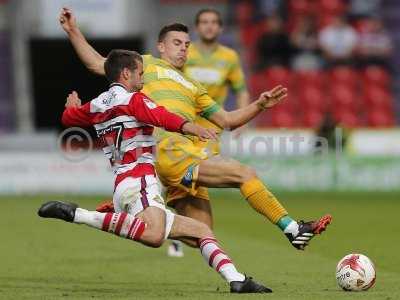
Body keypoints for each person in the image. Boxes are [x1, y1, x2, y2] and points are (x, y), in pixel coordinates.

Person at [59, 7, 331, 253]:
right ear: (160, 47)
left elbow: (227, 120)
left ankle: (133, 218)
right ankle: (293, 229)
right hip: (169, 152)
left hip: (186, 155)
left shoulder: (193, 86)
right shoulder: (146, 66)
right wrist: (73, 30)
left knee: (202, 234)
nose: (183, 49)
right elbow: (97, 63)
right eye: (177, 43)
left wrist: (259, 105)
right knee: (243, 173)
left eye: (187, 44)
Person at [38, 49, 271, 294]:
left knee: (201, 231)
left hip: (125, 184)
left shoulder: (96, 104)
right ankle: (78, 214)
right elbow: (160, 116)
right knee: (155, 236)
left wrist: (71, 108)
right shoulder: (134, 100)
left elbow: (69, 117)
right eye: (140, 73)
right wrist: (191, 127)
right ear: (126, 73)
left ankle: (236, 279)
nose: (143, 79)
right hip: (140, 181)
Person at [167, 8, 251, 256]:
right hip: (181, 125)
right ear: (197, 27)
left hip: (211, 130)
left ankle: (178, 227)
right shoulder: (184, 53)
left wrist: (243, 117)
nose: (209, 26)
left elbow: (241, 88)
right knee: (179, 178)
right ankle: (178, 226)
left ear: (221, 28)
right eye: (204, 22)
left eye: (214, 22)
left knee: (191, 178)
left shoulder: (229, 57)